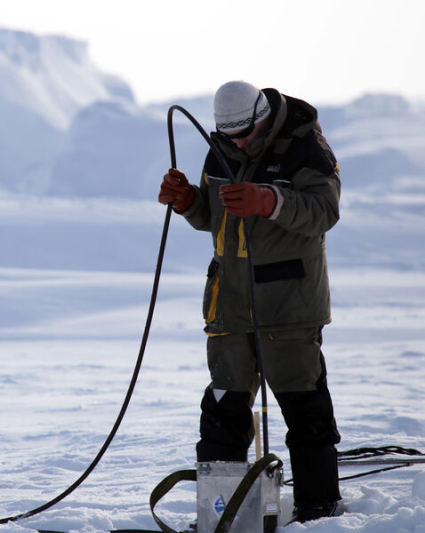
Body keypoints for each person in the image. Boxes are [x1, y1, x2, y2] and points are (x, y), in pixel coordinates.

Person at [158, 81, 342, 523]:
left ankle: (319, 509)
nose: (237, 142)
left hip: (289, 302)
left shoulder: (304, 144)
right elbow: (215, 217)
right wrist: (189, 202)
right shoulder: (219, 145)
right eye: (230, 135)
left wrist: (269, 200)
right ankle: (224, 511)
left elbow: (325, 210)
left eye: (245, 134)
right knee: (224, 407)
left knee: (303, 404)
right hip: (230, 303)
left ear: (263, 116)